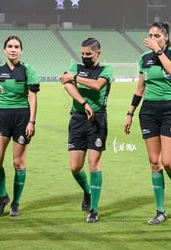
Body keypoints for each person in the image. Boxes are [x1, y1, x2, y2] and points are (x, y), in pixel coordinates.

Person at [124, 22, 171, 225]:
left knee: (168, 162)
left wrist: (158, 51)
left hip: (170, 110)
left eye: (157, 35)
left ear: (166, 37)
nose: (152, 38)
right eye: (150, 34)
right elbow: (140, 88)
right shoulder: (144, 58)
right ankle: (160, 211)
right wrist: (130, 113)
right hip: (149, 112)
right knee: (155, 162)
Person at [0, 35, 40, 217]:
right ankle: (3, 196)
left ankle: (15, 203)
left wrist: (32, 121)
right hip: (1, 118)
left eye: (16, 46)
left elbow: (32, 97)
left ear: (21, 50)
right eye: (10, 46)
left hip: (22, 118)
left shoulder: (28, 70)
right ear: (4, 50)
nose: (13, 49)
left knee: (18, 163)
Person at [60, 38, 113, 223]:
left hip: (97, 120)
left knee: (94, 165)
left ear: (98, 53)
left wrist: (74, 78)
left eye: (88, 54)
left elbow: (97, 85)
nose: (84, 57)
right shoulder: (75, 66)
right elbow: (66, 84)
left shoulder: (106, 70)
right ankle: (88, 191)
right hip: (77, 118)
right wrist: (83, 102)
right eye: (82, 54)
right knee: (75, 167)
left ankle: (94, 209)